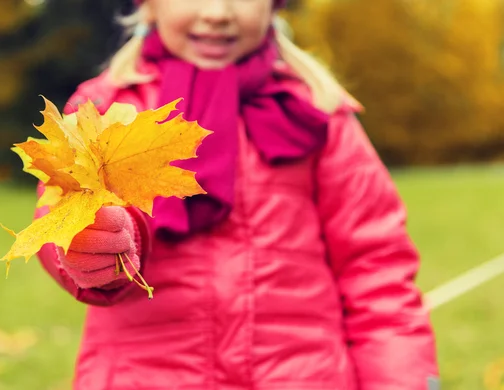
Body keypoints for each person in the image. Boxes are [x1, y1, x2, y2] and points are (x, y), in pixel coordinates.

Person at [35, 0, 439, 388]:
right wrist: (99, 244)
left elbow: (376, 270)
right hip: (144, 376)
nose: (218, 13)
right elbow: (60, 221)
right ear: (149, 3)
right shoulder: (103, 113)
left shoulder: (315, 113)